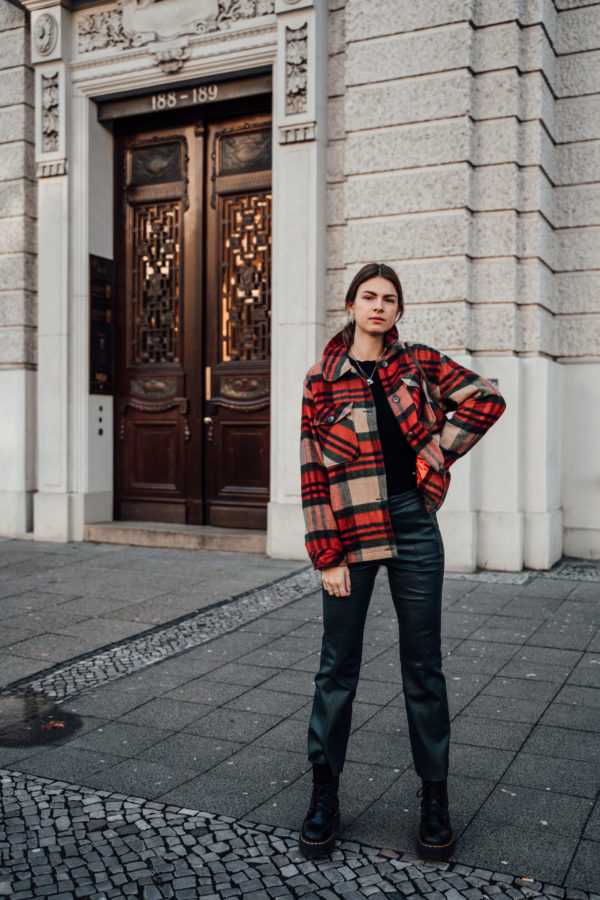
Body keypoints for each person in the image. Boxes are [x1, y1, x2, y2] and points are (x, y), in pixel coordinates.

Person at [298, 262, 506, 861]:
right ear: (351, 303)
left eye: (390, 299)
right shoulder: (322, 378)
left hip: (413, 523)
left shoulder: (418, 364)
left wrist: (438, 449)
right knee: (337, 668)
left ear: (399, 310)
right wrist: (326, 554)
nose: (379, 306)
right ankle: (324, 794)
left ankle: (434, 796)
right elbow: (313, 473)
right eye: (369, 296)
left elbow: (486, 399)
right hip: (351, 530)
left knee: (424, 666)